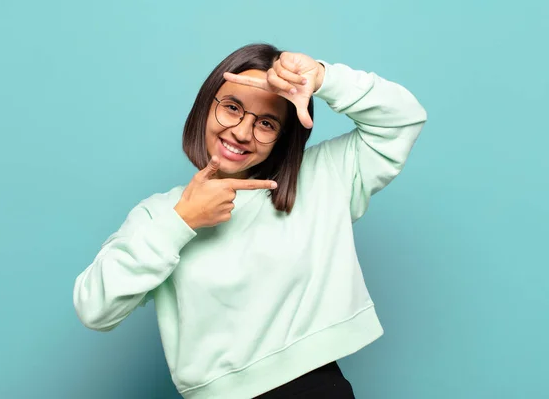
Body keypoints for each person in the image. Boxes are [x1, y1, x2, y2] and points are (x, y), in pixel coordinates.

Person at [73, 43, 427, 398]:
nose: (242, 132)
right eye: (231, 108)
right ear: (205, 106)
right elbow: (95, 309)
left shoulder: (322, 178)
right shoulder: (160, 214)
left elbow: (402, 119)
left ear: (283, 137)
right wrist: (182, 221)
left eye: (266, 123)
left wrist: (322, 77)